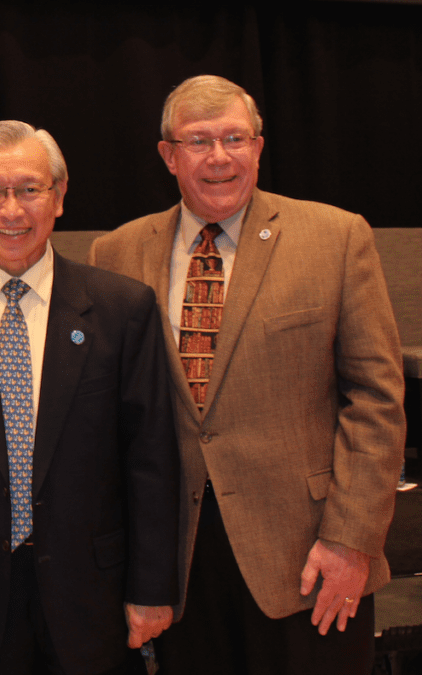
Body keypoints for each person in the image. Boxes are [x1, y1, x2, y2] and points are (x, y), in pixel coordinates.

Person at [88, 75, 405, 674]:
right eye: (199, 140)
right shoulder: (118, 253)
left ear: (259, 148)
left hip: (309, 558)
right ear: (168, 155)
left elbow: (377, 399)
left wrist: (350, 539)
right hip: (176, 564)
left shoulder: (336, 237)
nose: (219, 157)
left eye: (235, 138)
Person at [0, 120, 179, 675]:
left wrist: (152, 587)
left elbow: (151, 457)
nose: (12, 210)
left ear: (58, 198)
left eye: (30, 189)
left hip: (95, 595)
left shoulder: (122, 309)